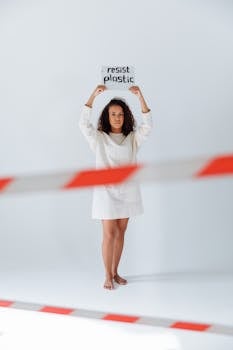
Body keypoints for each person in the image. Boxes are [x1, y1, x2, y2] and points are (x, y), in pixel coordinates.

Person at [79, 85, 152, 290]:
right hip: (106, 193)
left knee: (121, 233)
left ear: (125, 116)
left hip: (128, 191)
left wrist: (140, 96)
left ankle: (115, 272)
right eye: (113, 114)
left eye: (120, 114)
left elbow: (148, 125)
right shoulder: (99, 138)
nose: (117, 117)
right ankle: (106, 275)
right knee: (109, 234)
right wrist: (93, 95)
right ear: (107, 116)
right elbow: (83, 124)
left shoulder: (132, 139)